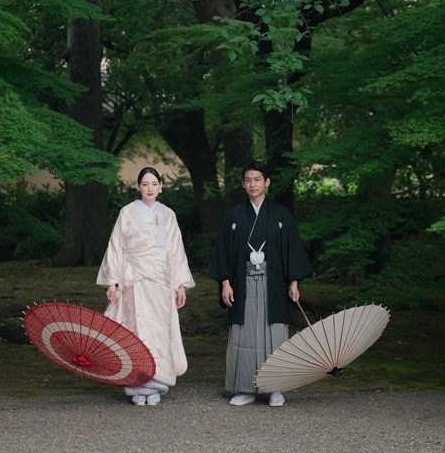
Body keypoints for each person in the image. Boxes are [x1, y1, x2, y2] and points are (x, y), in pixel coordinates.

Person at [208, 160, 313, 407]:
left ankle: (275, 388)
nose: (252, 184)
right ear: (243, 185)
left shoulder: (280, 215)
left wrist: (294, 282)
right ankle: (245, 389)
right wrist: (225, 282)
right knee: (244, 336)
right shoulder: (234, 215)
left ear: (267, 182)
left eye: (257, 179)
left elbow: (292, 250)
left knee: (273, 332)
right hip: (242, 282)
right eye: (248, 180)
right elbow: (223, 251)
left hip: (273, 282)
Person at [97, 167, 195, 406]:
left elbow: (176, 250)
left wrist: (180, 284)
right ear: (138, 187)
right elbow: (116, 246)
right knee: (136, 328)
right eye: (145, 184)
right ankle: (136, 386)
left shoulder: (168, 215)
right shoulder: (127, 212)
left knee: (159, 330)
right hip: (134, 278)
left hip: (161, 280)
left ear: (160, 186)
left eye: (154, 183)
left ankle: (156, 385)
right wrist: (113, 281)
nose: (150, 188)